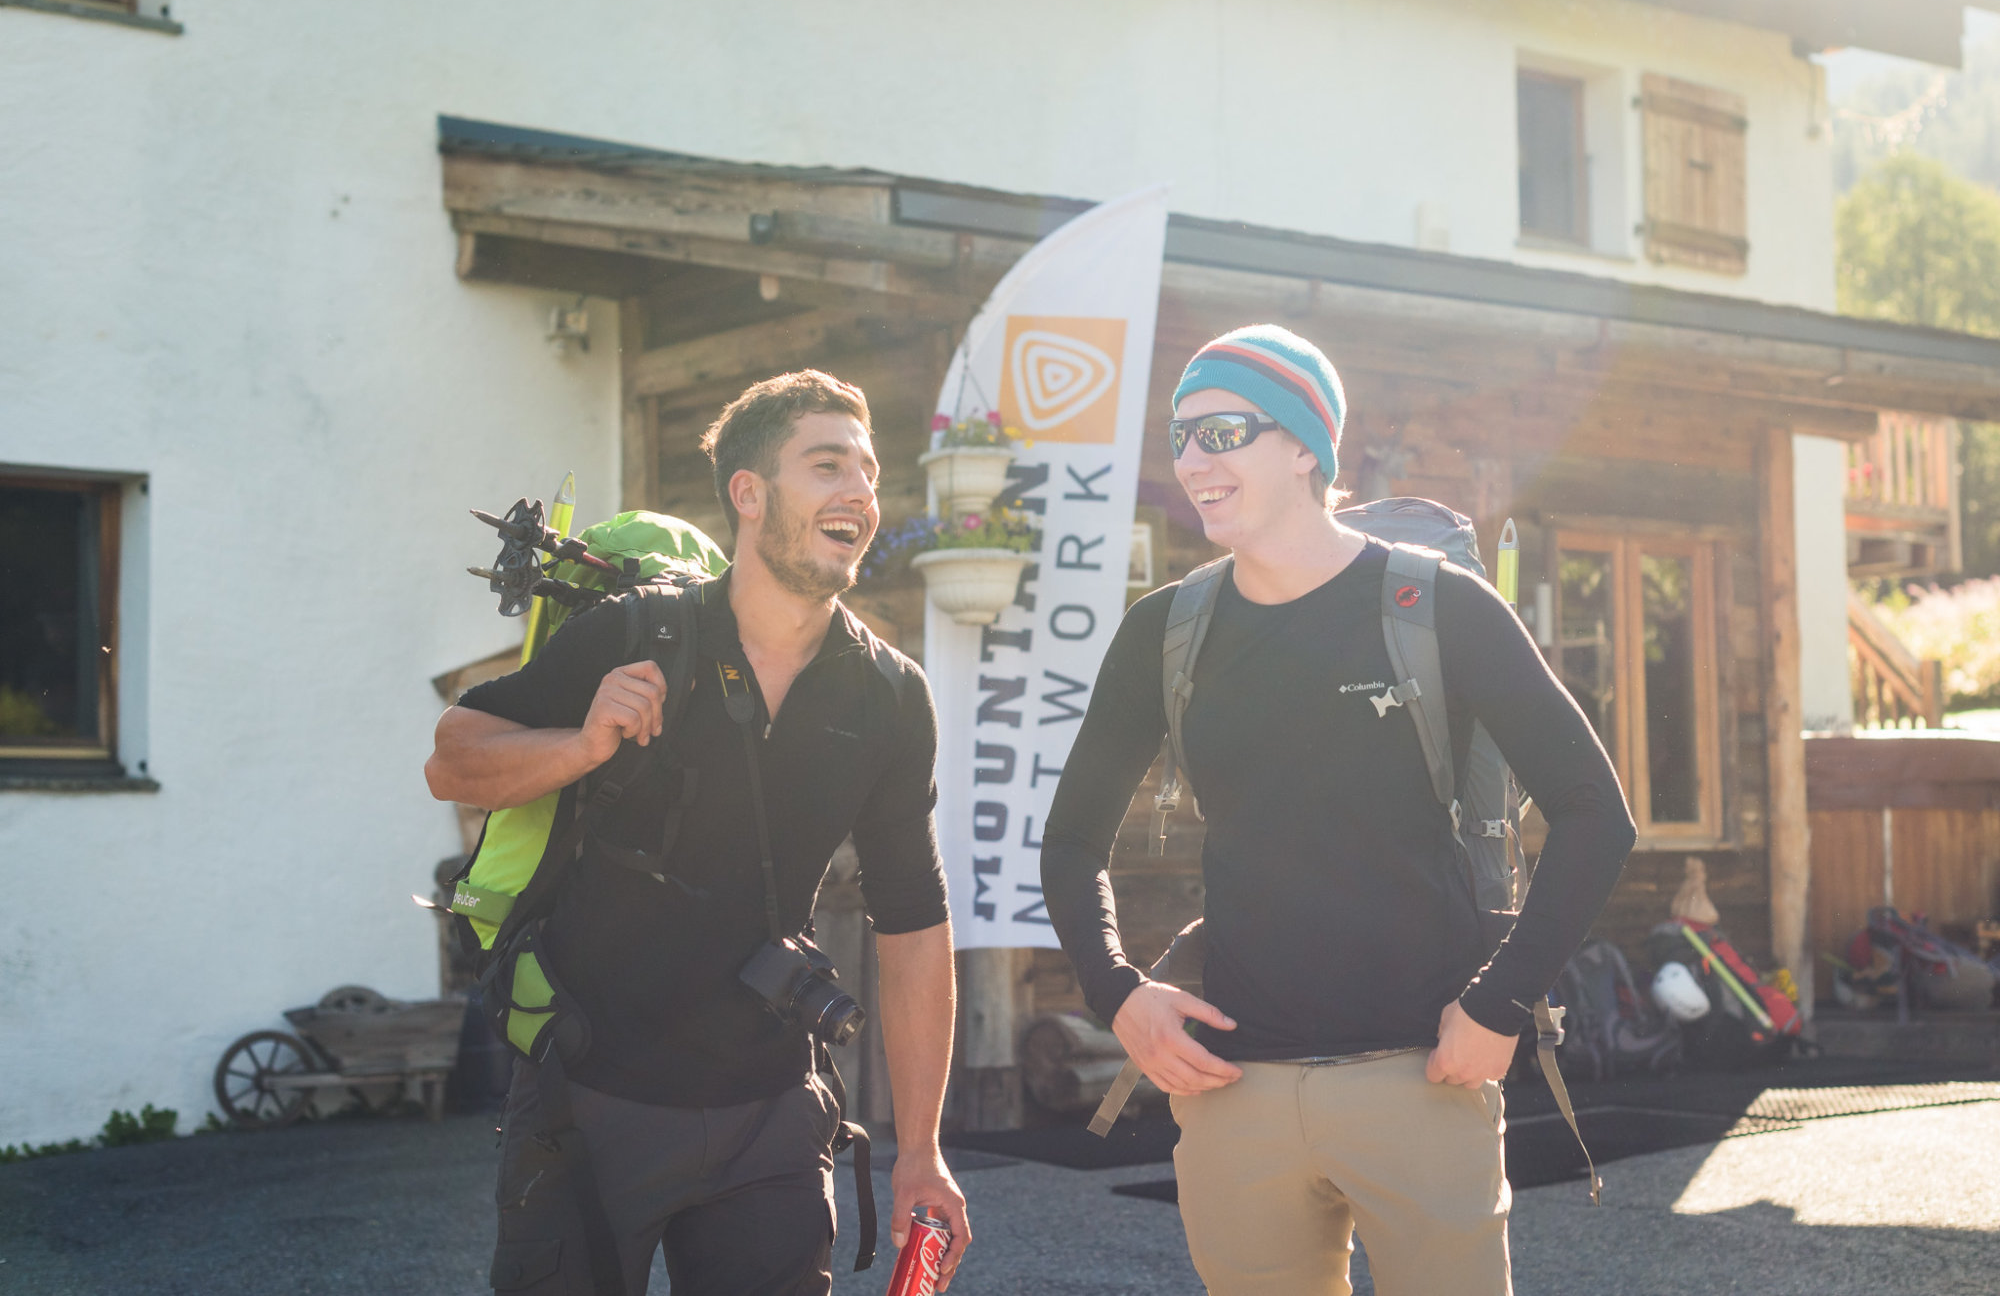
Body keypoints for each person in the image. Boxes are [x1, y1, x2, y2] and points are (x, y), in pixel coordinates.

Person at [1040, 326, 1634, 1295]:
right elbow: (1070, 842)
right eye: (1180, 436)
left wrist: (1500, 1002)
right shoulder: (1164, 631)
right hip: (1233, 1093)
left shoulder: (1437, 605)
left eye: (1222, 431)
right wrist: (1117, 995)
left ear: (1304, 447)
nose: (1192, 460)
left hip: (1423, 1075)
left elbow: (1593, 812)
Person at [426, 370, 970, 1295]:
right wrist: (581, 743)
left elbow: (915, 919)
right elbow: (454, 757)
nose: (860, 492)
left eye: (869, 473)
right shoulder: (641, 631)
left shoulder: (889, 694)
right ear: (748, 493)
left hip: (772, 1115)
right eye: (827, 465)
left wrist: (921, 1148)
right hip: (588, 1098)